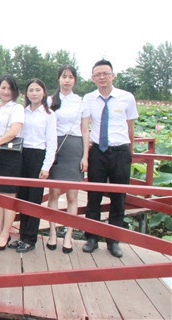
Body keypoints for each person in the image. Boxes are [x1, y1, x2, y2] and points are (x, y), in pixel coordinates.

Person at [81, 59, 138, 258]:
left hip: (120, 151)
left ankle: (113, 240)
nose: (102, 77)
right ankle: (91, 237)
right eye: (97, 74)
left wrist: (130, 152)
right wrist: (86, 153)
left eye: (105, 73)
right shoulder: (88, 98)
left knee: (118, 198)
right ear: (93, 78)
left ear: (113, 75)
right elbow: (85, 127)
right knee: (93, 196)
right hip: (98, 151)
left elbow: (130, 128)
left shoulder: (126, 97)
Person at [8, 78, 57, 253]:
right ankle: (22, 236)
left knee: (34, 199)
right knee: (22, 197)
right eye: (31, 90)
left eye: (37, 90)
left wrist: (46, 166)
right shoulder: (23, 112)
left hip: (38, 156)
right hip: (22, 155)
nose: (34, 93)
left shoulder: (49, 114)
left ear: (44, 93)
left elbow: (52, 142)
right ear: (26, 93)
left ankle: (30, 238)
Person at [46, 65, 87, 254]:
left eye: (70, 77)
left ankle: (69, 235)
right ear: (59, 79)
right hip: (55, 147)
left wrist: (85, 155)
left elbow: (85, 130)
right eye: (64, 76)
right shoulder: (50, 101)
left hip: (74, 147)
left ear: (75, 80)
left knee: (72, 196)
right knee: (53, 194)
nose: (67, 80)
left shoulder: (81, 102)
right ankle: (52, 232)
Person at [0, 75, 25, 250]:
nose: (6, 91)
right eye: (3, 87)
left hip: (10, 155)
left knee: (9, 196)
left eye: (9, 88)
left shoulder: (17, 108)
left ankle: (5, 233)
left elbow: (14, 131)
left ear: (14, 90)